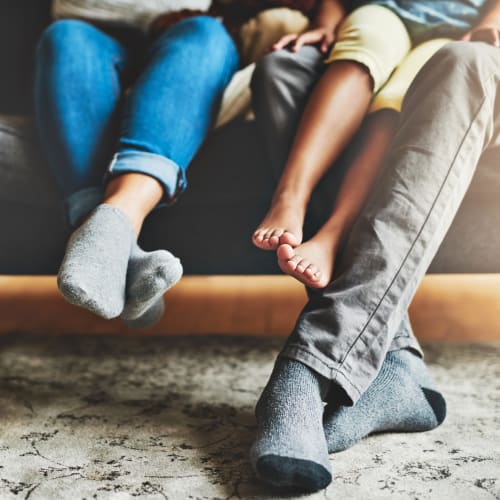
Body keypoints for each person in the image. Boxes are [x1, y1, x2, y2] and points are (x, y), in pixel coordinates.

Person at [248, 27, 500, 498]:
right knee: (282, 71)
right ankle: (396, 363)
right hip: (384, 32)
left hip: (472, 45)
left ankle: (308, 368)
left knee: (466, 61)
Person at [252, 0, 499, 290]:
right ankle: (289, 200)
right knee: (361, 52)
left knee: (405, 94)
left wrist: (489, 26)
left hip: (457, 29)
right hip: (383, 10)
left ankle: (334, 235)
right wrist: (326, 25)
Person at [34, 1, 239, 328]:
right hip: (85, 27)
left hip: (188, 27)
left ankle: (108, 243)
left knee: (206, 35)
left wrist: (328, 15)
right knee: (66, 37)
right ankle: (126, 263)